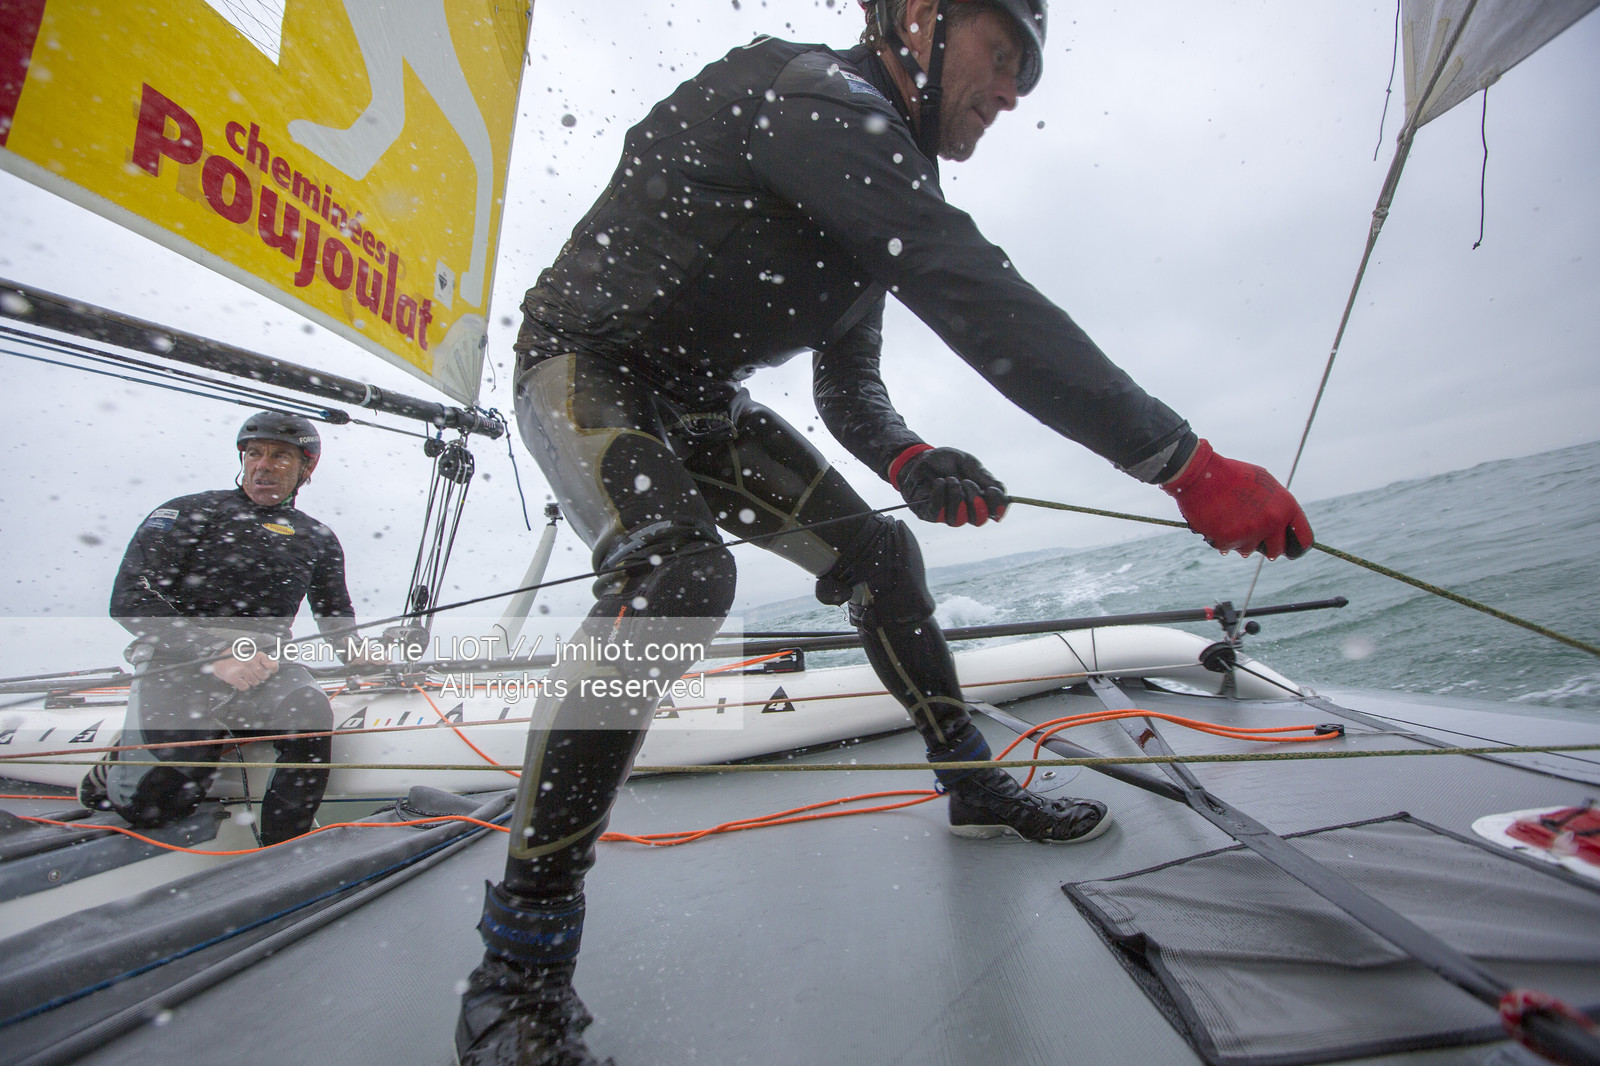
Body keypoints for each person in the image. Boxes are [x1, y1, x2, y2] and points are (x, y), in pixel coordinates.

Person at [455, 1, 1315, 1062]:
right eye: (1003, 59)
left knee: (882, 553)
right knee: (677, 575)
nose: (1010, 94)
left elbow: (848, 384)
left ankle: (970, 785)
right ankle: (518, 965)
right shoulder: (812, 95)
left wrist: (911, 459)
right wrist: (1181, 463)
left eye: (1024, 78)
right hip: (585, 367)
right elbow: (966, 284)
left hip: (703, 401)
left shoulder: (883, 177)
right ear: (920, 18)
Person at [103, 410, 374, 846]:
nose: (263, 465)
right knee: (155, 807)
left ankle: (282, 853)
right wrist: (216, 655)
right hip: (179, 663)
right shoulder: (189, 513)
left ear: (307, 467)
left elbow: (335, 617)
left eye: (280, 456)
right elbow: (129, 601)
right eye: (254, 453)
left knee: (309, 714)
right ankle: (109, 770)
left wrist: (367, 659)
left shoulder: (318, 537)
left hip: (264, 668)